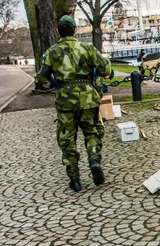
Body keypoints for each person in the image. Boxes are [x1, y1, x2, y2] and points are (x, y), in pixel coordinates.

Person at [36, 15, 114, 192]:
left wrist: (53, 80)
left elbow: (42, 79)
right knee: (92, 132)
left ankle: (75, 179)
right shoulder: (87, 48)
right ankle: (94, 161)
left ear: (58, 31)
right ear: (75, 30)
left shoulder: (51, 52)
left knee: (67, 139)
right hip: (88, 98)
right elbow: (105, 69)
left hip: (65, 101)